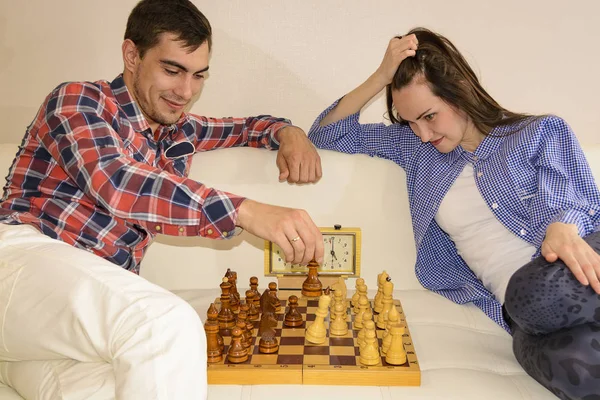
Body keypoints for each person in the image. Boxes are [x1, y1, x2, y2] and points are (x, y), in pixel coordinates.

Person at [0, 0, 324, 399]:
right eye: (172, 70)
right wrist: (246, 211)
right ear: (132, 55)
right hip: (20, 263)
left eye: (198, 76)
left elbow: (248, 127)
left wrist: (289, 133)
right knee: (164, 325)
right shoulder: (78, 101)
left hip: (50, 335)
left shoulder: (180, 130)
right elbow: (118, 183)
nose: (185, 91)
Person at [308, 28, 600, 399]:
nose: (423, 132)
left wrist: (561, 228)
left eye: (430, 116)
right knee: (566, 364)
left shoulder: (536, 132)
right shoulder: (416, 151)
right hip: (522, 314)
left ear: (459, 91)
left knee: (528, 294)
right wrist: (382, 75)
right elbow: (325, 136)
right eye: (411, 121)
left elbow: (568, 193)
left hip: (570, 264)